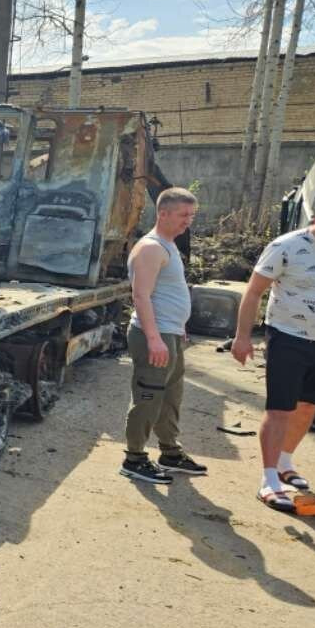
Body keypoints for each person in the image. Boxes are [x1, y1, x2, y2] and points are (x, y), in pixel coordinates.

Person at [231, 196, 315, 511]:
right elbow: (253, 292)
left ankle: (284, 463)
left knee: (308, 407)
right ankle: (268, 481)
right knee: (280, 409)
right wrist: (243, 337)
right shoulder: (287, 246)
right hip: (288, 337)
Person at [121, 187, 206, 484]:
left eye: (191, 215)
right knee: (149, 397)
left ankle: (170, 452)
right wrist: (155, 338)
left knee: (170, 397)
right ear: (163, 213)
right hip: (152, 336)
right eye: (183, 215)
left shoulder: (168, 245)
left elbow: (167, 293)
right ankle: (133, 459)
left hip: (169, 333)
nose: (188, 221)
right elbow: (141, 296)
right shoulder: (151, 248)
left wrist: (178, 327)